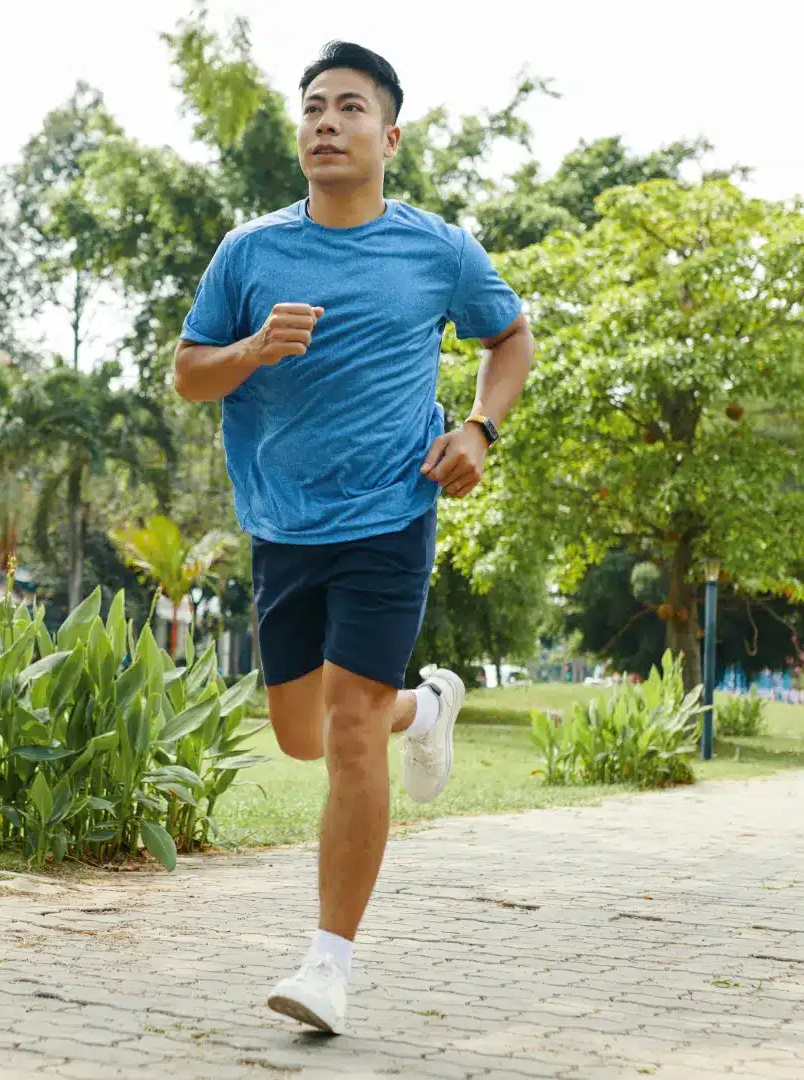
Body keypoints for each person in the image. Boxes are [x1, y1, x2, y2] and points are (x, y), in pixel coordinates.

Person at [172, 40, 535, 1035]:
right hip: (283, 523)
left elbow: (510, 338)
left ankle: (329, 964)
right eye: (314, 108)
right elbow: (189, 372)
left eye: (350, 108)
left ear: (391, 135)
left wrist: (479, 428)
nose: (326, 122)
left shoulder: (437, 250)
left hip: (390, 513)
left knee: (343, 731)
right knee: (299, 734)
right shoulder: (248, 253)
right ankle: (424, 710)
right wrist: (251, 349)